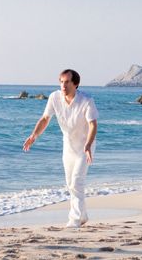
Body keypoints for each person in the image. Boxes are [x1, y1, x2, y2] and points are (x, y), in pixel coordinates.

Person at [23, 69, 98, 228]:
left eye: (67, 82)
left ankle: (75, 219)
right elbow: (45, 119)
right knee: (71, 183)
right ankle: (82, 215)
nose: (63, 85)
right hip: (68, 147)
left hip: (85, 147)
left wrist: (89, 145)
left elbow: (93, 124)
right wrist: (33, 136)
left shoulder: (86, 100)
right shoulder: (54, 97)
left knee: (77, 181)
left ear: (75, 84)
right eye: (61, 82)